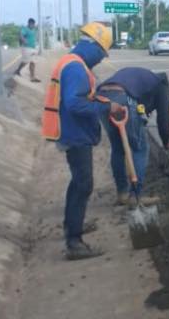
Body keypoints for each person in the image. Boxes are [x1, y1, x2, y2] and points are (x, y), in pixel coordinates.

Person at [41, 22, 124, 261]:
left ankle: (72, 225)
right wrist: (107, 107)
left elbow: (81, 97)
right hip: (75, 134)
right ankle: (74, 242)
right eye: (102, 53)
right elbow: (75, 103)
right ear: (94, 46)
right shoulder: (76, 68)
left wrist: (100, 101)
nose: (101, 59)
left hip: (71, 131)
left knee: (78, 182)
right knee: (83, 184)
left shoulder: (72, 62)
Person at [97, 67, 169, 206]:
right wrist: (166, 142)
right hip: (123, 97)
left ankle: (122, 193)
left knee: (118, 149)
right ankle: (135, 196)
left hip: (101, 97)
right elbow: (164, 119)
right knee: (140, 148)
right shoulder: (161, 84)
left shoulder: (141, 79)